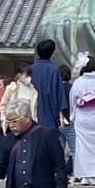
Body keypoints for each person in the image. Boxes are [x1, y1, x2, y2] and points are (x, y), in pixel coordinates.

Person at [69, 55, 95, 183]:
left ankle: (84, 176)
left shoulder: (78, 82)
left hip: (81, 116)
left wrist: (72, 115)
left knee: (82, 147)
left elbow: (73, 100)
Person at [30, 38, 68, 166]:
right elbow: (58, 95)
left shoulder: (31, 69)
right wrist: (60, 116)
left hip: (31, 113)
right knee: (50, 146)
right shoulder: (54, 70)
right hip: (49, 114)